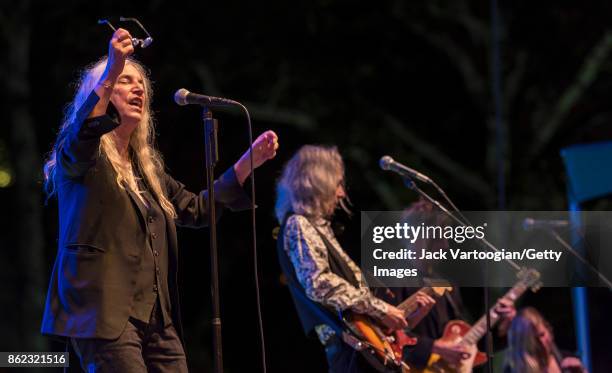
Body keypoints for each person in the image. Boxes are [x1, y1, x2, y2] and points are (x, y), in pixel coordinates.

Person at [41, 28, 279, 372]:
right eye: (126, 81)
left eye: (140, 83)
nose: (137, 87)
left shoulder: (146, 172)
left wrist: (246, 164)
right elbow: (82, 134)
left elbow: (196, 210)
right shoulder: (81, 159)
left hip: (158, 322)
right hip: (103, 314)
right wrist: (112, 68)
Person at [275, 145, 435, 373]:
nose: (341, 193)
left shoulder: (316, 228)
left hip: (359, 348)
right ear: (319, 183)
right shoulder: (298, 224)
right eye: (338, 184)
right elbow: (319, 284)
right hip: (347, 353)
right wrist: (381, 309)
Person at [387, 198, 516, 370]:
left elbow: (467, 343)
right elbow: (384, 338)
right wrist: (434, 347)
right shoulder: (390, 281)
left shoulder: (446, 286)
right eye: (439, 238)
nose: (445, 246)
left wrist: (503, 328)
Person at [504, 307, 588, 373]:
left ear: (548, 330)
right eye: (535, 339)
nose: (541, 342)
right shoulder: (513, 369)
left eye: (542, 334)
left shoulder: (566, 357)